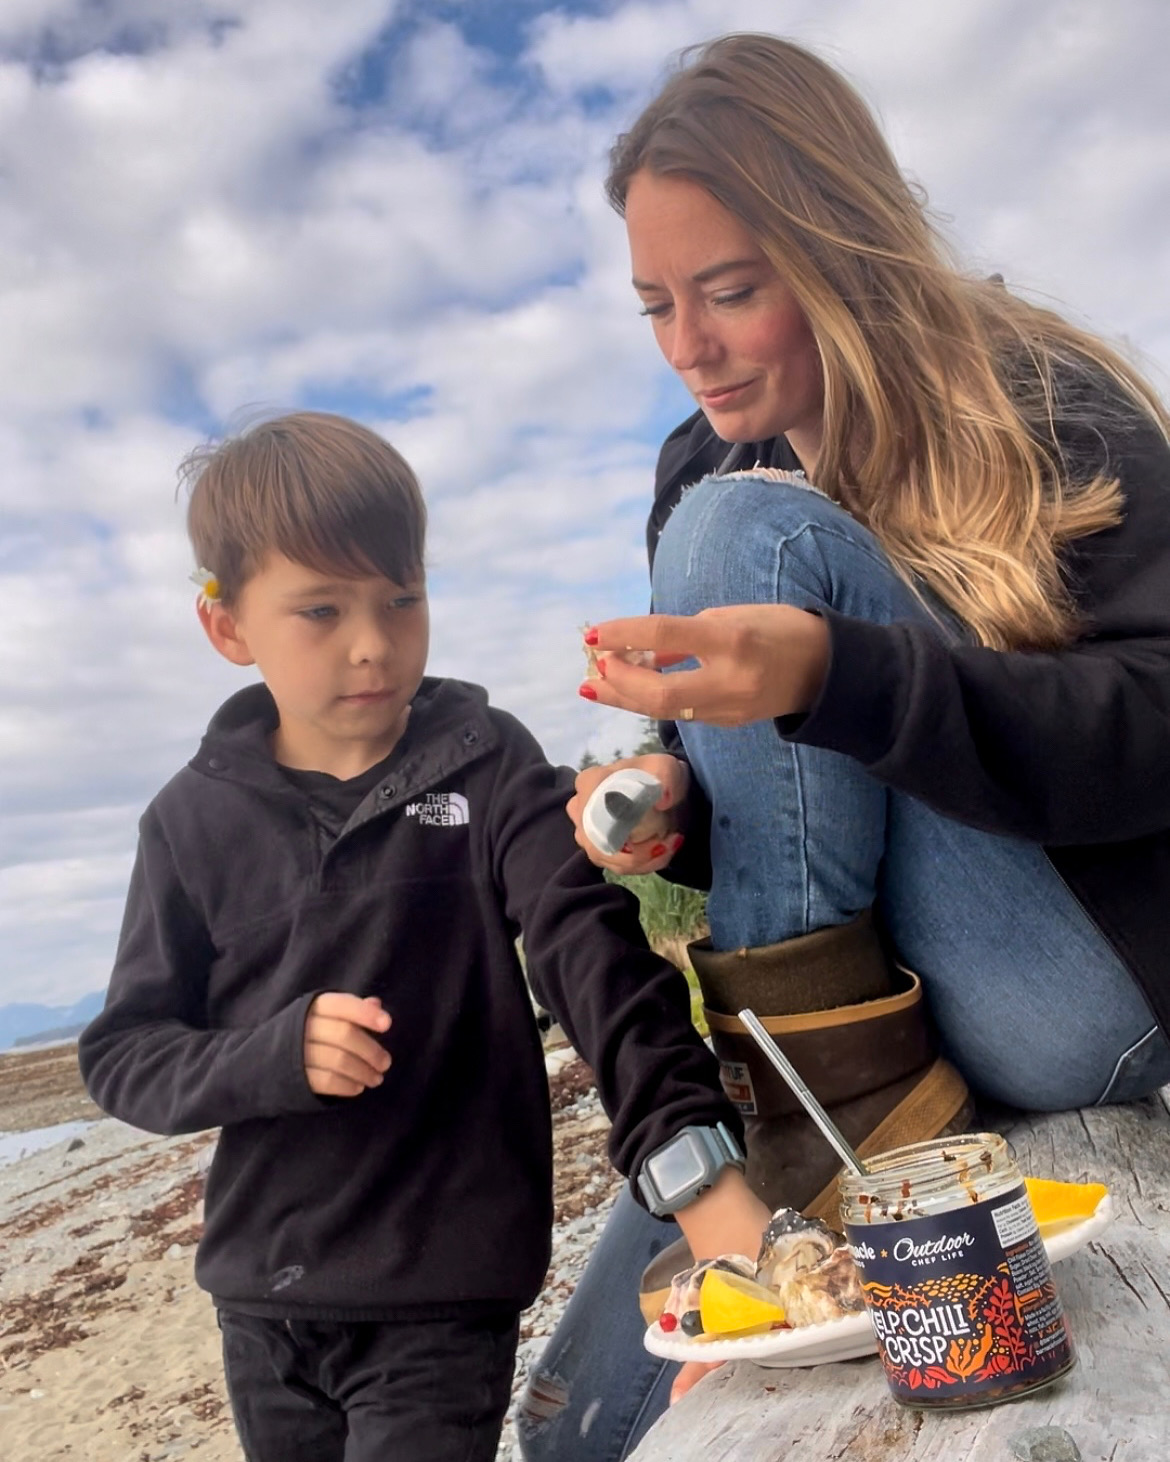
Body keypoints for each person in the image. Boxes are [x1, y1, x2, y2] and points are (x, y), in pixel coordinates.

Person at [517, 32, 1170, 1461]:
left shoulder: (1030, 390)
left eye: (730, 291)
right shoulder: (694, 459)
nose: (687, 346)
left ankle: (799, 1151)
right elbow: (778, 809)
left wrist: (847, 677)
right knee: (569, 1420)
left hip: (1076, 985)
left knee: (740, 533)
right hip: (869, 1019)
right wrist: (661, 810)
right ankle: (802, 1129)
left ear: (838, 250)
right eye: (654, 307)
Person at [78, 411, 772, 1462]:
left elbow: (595, 961)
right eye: (321, 610)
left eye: (402, 599)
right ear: (227, 626)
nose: (374, 643)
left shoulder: (487, 765)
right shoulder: (189, 821)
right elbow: (124, 1053)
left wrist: (697, 1176)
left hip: (443, 1292)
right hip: (261, 1298)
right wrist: (270, 1053)